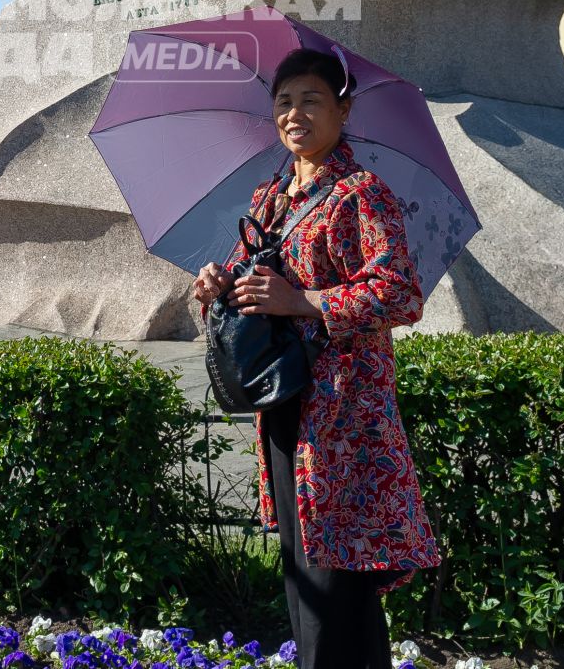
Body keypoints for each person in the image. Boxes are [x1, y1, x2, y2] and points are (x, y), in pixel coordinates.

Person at [192, 47, 440, 669]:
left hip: (344, 415)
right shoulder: (272, 195)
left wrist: (303, 301)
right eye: (283, 102)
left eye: (311, 100)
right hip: (285, 400)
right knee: (306, 568)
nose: (294, 113)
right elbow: (261, 285)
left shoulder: (361, 193)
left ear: (343, 109)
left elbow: (400, 291)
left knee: (337, 577)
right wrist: (221, 286)